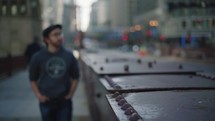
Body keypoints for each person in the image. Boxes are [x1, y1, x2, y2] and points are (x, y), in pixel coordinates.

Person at [28, 24, 80, 121]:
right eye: (55, 35)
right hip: (46, 101)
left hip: (64, 102)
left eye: (60, 34)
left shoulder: (69, 55)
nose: (59, 37)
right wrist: (39, 96)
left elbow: (76, 77)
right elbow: (32, 79)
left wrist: (70, 94)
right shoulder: (38, 57)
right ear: (47, 39)